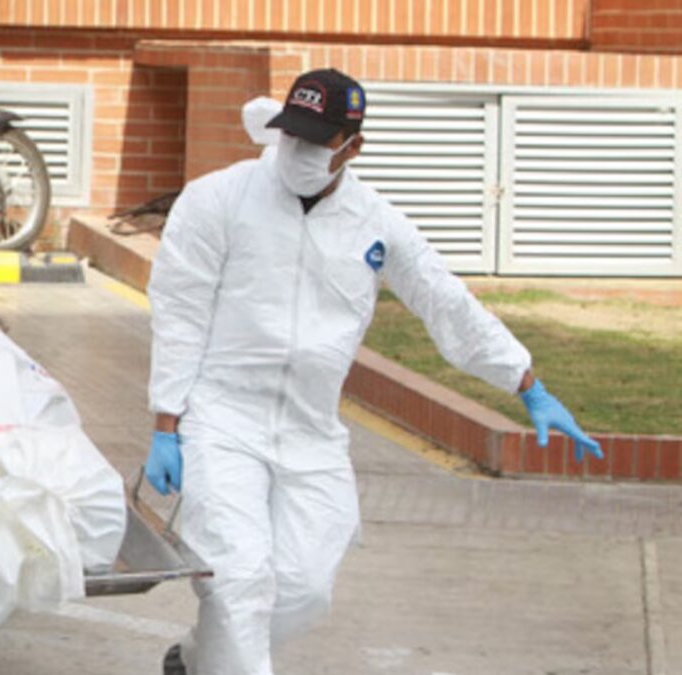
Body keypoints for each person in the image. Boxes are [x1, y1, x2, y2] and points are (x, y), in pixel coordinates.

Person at [145, 68, 603, 675]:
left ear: (352, 147)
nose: (300, 151)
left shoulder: (375, 223)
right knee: (239, 578)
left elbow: (445, 301)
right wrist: (167, 420)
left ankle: (196, 659)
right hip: (222, 420)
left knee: (305, 591)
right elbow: (180, 312)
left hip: (312, 433)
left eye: (318, 141)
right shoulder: (218, 200)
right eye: (293, 136)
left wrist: (526, 382)